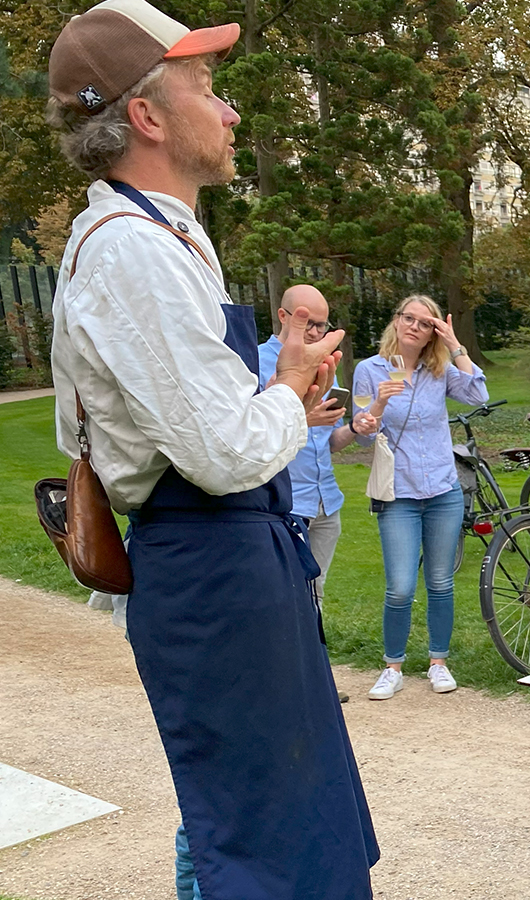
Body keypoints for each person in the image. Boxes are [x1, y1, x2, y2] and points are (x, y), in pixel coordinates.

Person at [44, 2, 378, 896]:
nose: (229, 112)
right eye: (207, 88)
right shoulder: (131, 254)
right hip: (212, 563)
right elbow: (227, 454)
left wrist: (281, 399)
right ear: (146, 116)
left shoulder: (164, 237)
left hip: (233, 555)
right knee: (258, 842)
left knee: (278, 822)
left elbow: (210, 430)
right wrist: (285, 389)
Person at [352, 294, 487, 700]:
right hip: (399, 493)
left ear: (432, 333)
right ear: (395, 322)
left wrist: (455, 345)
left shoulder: (440, 370)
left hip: (443, 489)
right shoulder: (368, 369)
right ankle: (392, 666)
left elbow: (479, 396)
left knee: (441, 582)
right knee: (399, 586)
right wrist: (377, 403)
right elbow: (362, 429)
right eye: (407, 318)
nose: (413, 326)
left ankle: (438, 663)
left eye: (424, 323)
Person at [259, 285, 378, 606]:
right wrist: (303, 419)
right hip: (284, 504)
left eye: (321, 325)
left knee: (315, 596)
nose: (314, 332)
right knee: (284, 599)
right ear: (282, 316)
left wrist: (354, 428)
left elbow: (330, 443)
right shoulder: (256, 362)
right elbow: (252, 436)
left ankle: (313, 657)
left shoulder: (326, 366)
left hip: (327, 503)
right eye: (307, 323)